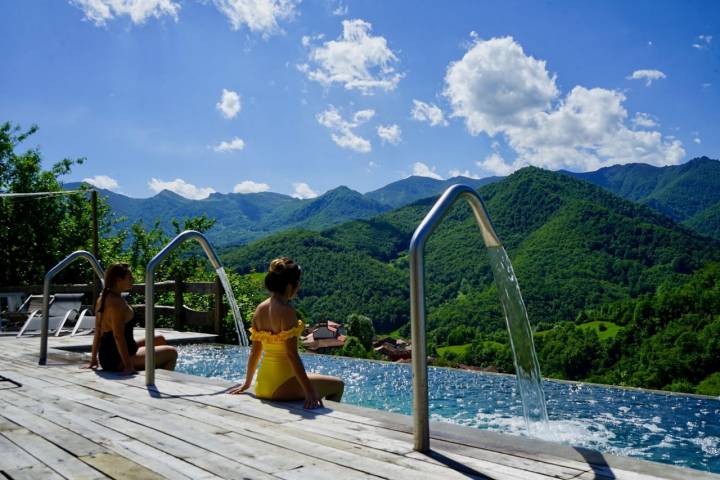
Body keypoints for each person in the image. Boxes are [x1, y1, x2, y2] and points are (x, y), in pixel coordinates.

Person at [229, 257, 344, 409]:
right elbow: (291, 355)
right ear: (290, 286)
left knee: (313, 376)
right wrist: (309, 391)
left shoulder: (260, 308)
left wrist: (247, 383)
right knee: (338, 385)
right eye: (298, 282)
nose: (299, 286)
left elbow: (255, 352)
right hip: (282, 386)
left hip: (262, 385)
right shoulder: (287, 311)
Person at [86, 263, 178, 374]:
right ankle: (160, 382)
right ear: (118, 279)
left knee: (160, 339)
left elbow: (98, 330)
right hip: (117, 359)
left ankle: (151, 370)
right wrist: (128, 366)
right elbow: (118, 335)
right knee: (172, 353)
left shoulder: (103, 298)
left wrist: (94, 359)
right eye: (130, 277)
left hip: (109, 354)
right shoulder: (117, 303)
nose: (133, 279)